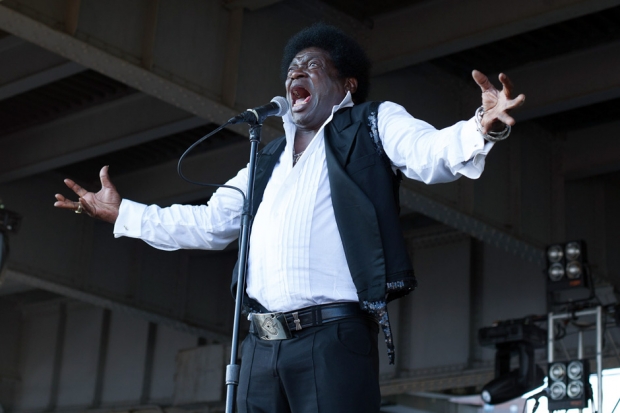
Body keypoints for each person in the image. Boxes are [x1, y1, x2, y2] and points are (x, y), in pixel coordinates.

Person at [54, 24, 524, 413]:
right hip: (259, 345)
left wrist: (481, 126)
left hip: (332, 339)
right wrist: (123, 213)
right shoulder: (265, 159)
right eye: (292, 68)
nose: (297, 71)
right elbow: (208, 223)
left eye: (313, 65)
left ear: (347, 85)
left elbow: (428, 153)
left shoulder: (372, 123)